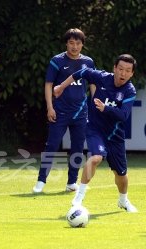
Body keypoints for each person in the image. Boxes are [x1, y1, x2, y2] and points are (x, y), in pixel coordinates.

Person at [53, 54, 138, 213]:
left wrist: (106, 108)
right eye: (120, 69)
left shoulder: (129, 90)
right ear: (114, 68)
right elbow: (80, 73)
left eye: (127, 71)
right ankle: (78, 198)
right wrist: (61, 87)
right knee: (96, 158)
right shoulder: (102, 78)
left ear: (132, 73)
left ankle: (123, 200)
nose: (123, 73)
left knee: (121, 174)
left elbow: (123, 115)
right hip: (94, 129)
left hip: (115, 136)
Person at [32, 28, 95, 193]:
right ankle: (41, 181)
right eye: (71, 43)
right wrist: (50, 107)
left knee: (77, 148)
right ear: (66, 43)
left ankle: (71, 183)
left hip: (81, 112)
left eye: (78, 43)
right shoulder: (57, 61)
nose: (75, 46)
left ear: (82, 45)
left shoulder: (88, 62)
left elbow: (93, 84)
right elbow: (48, 85)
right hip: (59, 111)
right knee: (51, 145)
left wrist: (95, 105)